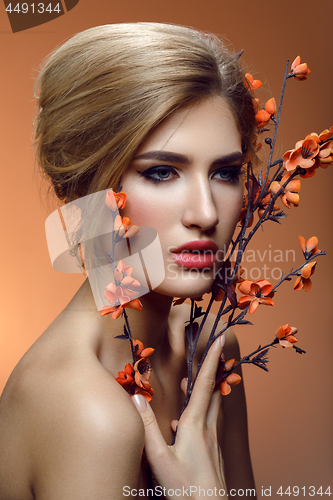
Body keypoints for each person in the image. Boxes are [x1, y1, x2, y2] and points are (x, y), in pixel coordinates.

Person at [0, 23, 257, 499]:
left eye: (225, 172)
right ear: (86, 186)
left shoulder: (212, 354)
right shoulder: (88, 412)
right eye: (161, 172)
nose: (205, 212)